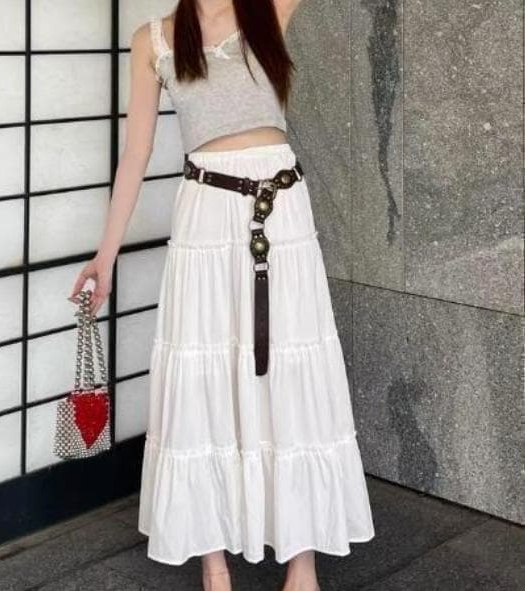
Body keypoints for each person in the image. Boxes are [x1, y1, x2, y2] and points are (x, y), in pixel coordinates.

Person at [70, 1, 375, 589]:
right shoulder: (153, 40)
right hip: (205, 218)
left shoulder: (270, 11)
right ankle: (213, 563)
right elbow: (135, 155)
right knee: (202, 378)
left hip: (281, 213)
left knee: (291, 374)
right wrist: (105, 256)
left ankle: (302, 561)